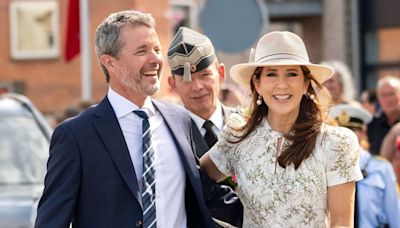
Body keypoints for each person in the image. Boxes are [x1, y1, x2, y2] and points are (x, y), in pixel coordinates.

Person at [34, 10, 214, 228]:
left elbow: (208, 196)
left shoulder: (179, 120)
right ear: (110, 62)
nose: (156, 59)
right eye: (142, 51)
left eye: (157, 49)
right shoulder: (76, 136)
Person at [200, 31, 363, 227]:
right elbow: (195, 182)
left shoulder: (336, 142)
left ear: (306, 84)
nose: (282, 84)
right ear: (257, 84)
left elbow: (342, 224)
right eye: (271, 74)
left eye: (292, 74)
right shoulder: (237, 136)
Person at [167, 26, 243, 227]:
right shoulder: (167, 137)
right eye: (186, 78)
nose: (197, 86)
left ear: (221, 73)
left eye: (204, 75)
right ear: (172, 84)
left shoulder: (249, 126)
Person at [330, 104, 400, 228]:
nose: (344, 138)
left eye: (351, 132)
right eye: (340, 133)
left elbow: (395, 215)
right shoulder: (327, 167)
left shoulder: (381, 168)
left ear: (362, 133)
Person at [367, 75, 400, 155]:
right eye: (384, 95)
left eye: (392, 94)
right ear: (378, 98)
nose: (388, 99)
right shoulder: (371, 124)